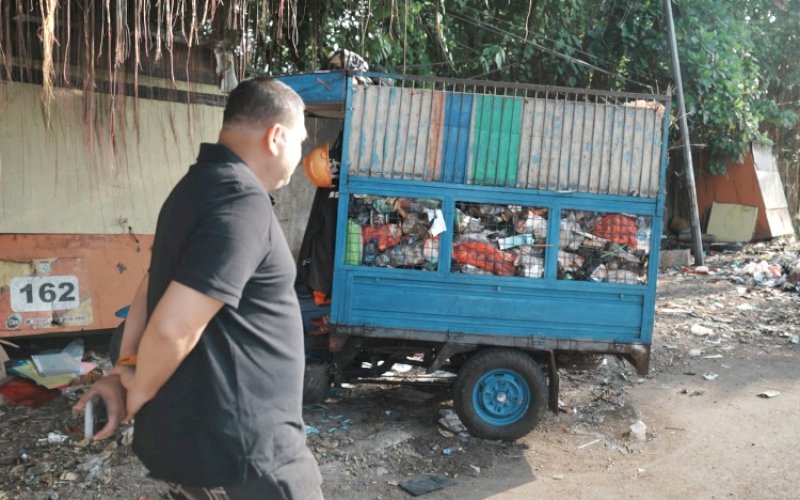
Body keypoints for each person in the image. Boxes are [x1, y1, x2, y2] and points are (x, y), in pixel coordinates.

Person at [74, 77, 323, 499]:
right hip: (250, 454)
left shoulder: (194, 188)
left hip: (206, 445)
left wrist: (126, 368)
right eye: (300, 141)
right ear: (276, 137)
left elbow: (151, 282)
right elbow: (174, 329)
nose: (300, 156)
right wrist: (137, 394)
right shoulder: (241, 202)